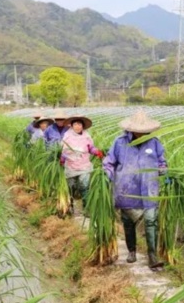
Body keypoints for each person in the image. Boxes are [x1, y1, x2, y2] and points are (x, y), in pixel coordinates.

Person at [103, 110, 167, 270]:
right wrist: (107, 174)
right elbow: (109, 162)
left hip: (149, 189)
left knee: (151, 221)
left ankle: (152, 255)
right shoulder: (120, 142)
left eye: (144, 131)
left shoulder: (155, 143)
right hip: (127, 189)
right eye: (138, 130)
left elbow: (162, 162)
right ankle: (132, 251)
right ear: (131, 129)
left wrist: (163, 170)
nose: (141, 133)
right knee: (128, 222)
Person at [60, 116, 103, 213]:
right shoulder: (67, 136)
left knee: (84, 186)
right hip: (71, 166)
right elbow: (63, 151)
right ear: (71, 125)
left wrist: (96, 152)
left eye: (79, 124)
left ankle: (87, 208)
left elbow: (90, 148)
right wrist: (62, 159)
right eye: (75, 124)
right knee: (70, 186)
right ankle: (69, 208)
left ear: (83, 126)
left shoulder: (86, 136)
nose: (77, 126)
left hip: (84, 166)